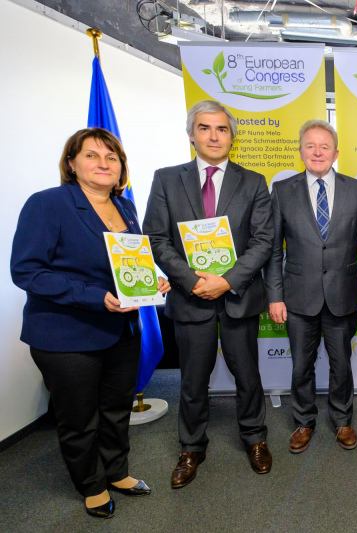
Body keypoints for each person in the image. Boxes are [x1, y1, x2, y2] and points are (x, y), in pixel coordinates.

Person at [10, 128, 170, 518]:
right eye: (92, 156)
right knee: (79, 417)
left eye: (111, 158)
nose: (103, 164)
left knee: (116, 409)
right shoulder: (49, 204)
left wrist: (154, 277)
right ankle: (91, 485)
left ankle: (117, 472)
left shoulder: (126, 208)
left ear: (121, 168)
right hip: (67, 334)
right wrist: (93, 296)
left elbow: (128, 263)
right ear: (71, 163)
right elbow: (27, 271)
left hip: (122, 329)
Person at [143, 100, 274, 488]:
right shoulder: (166, 179)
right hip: (190, 297)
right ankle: (191, 447)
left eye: (221, 129)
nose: (213, 135)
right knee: (192, 379)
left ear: (232, 136)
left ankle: (255, 438)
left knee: (247, 375)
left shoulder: (253, 182)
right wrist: (192, 280)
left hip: (238, 297)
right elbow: (157, 238)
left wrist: (228, 280)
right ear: (191, 135)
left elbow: (263, 240)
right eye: (205, 128)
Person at [267, 120, 357, 453]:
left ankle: (342, 420)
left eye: (324, 146)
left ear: (336, 152)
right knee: (301, 365)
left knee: (341, 364)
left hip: (343, 295)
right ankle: (304, 421)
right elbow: (274, 250)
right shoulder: (283, 191)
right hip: (298, 297)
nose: (317, 152)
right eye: (310, 146)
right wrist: (274, 296)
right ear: (301, 150)